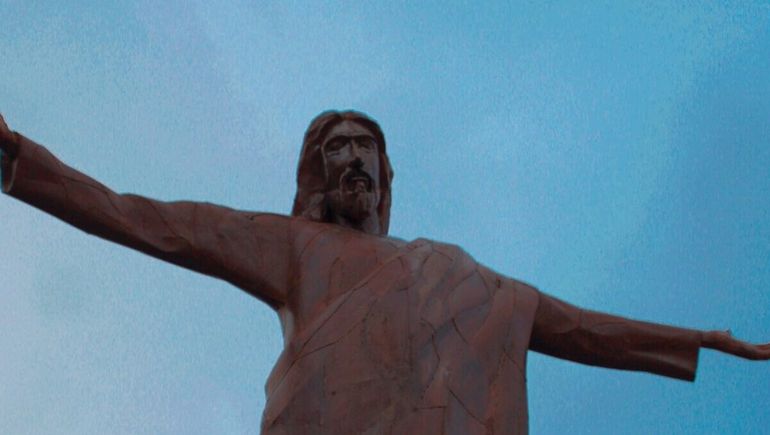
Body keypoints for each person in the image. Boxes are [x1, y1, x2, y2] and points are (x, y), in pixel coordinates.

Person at [1, 111, 767, 434]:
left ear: (385, 170)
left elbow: (572, 326)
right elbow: (146, 219)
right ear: (315, 172)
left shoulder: (456, 272)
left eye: (365, 144)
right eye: (336, 147)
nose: (353, 155)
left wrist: (693, 338)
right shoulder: (290, 245)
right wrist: (21, 162)